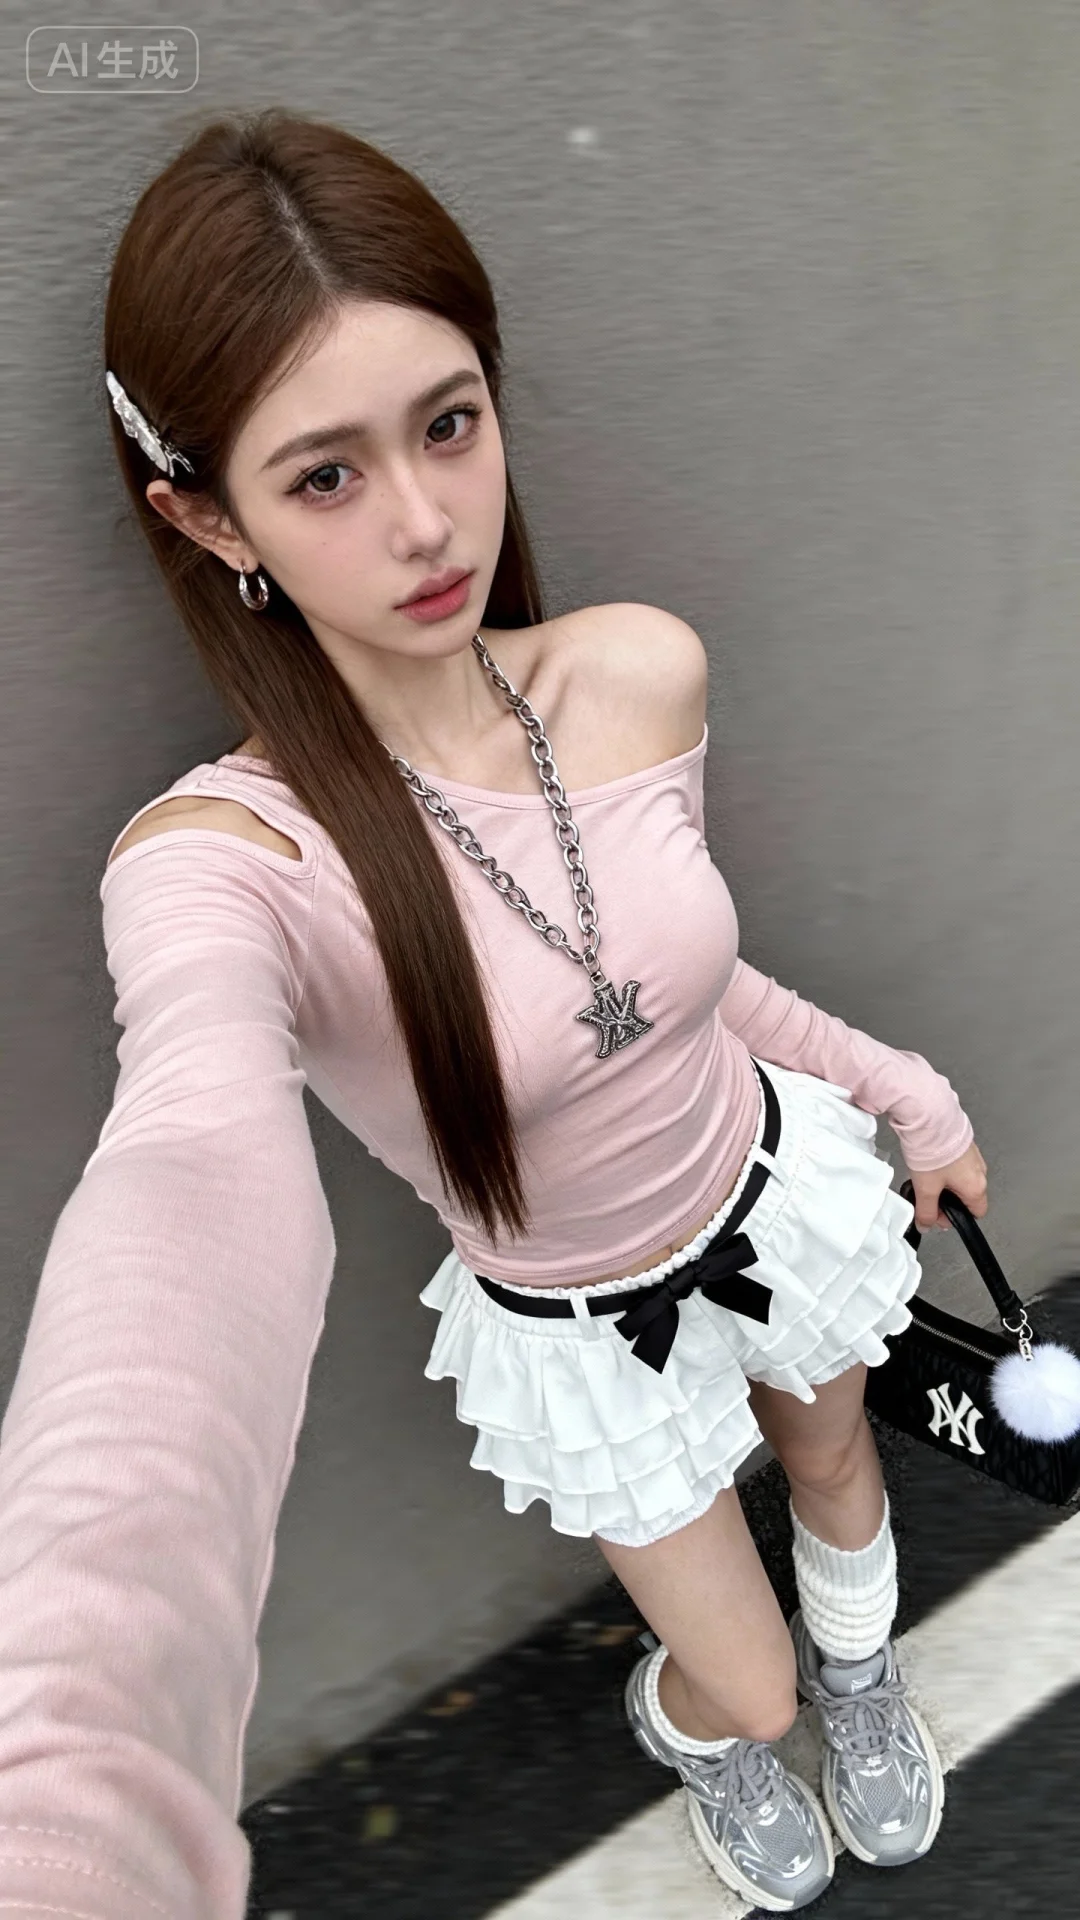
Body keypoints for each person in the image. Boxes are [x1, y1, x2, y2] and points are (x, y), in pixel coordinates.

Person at [0, 105, 988, 1917]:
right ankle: (716, 1730)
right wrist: (70, 1762)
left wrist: (903, 1093)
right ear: (206, 515)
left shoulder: (636, 671)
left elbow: (679, 992)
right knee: (745, 1674)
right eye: (324, 477)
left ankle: (864, 1679)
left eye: (447, 424)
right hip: (586, 1329)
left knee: (845, 1472)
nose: (426, 521)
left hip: (774, 1190)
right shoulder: (230, 864)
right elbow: (188, 1174)